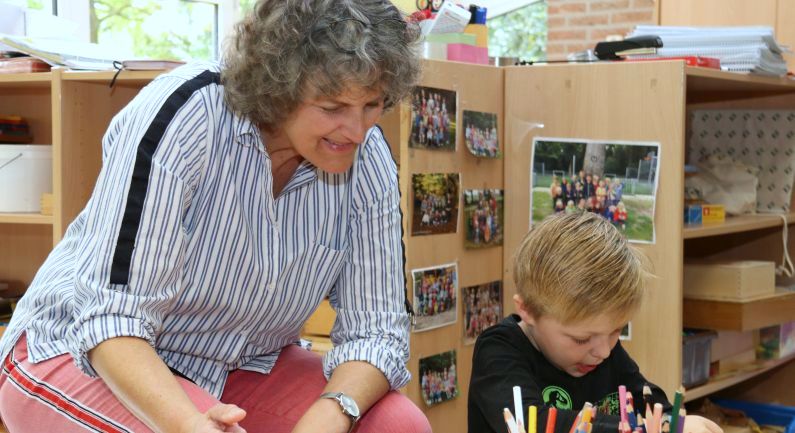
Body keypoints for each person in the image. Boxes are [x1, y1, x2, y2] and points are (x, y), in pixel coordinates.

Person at [0, 2, 431, 433]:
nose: (356, 130)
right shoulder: (188, 114)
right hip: (82, 351)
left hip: (237, 367)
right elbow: (112, 320)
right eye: (333, 107)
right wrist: (188, 423)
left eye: (372, 105)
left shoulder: (367, 156)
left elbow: (378, 334)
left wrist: (332, 413)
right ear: (279, 88)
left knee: (397, 424)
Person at [468, 212, 722, 433]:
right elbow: (536, 424)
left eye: (616, 331)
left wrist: (670, 421)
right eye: (581, 339)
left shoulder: (603, 349)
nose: (602, 352)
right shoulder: (498, 351)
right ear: (527, 310)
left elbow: (646, 400)